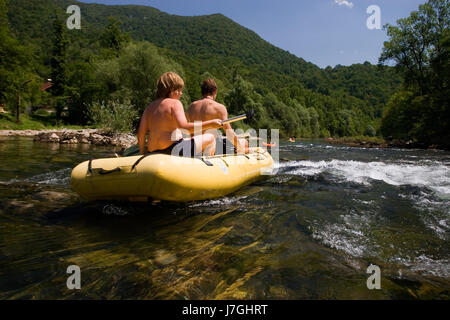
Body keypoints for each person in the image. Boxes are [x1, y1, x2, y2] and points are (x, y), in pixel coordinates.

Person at [137, 72, 223, 157]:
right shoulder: (175, 103)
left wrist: (142, 153)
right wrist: (211, 123)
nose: (181, 93)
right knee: (211, 138)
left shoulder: (149, 107)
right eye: (179, 90)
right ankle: (206, 166)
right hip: (172, 149)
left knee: (181, 136)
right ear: (172, 90)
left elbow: (141, 134)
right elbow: (185, 127)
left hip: (152, 151)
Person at [186, 78, 249, 154]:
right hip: (212, 146)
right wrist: (239, 146)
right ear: (215, 91)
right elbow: (229, 132)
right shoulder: (219, 108)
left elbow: (186, 129)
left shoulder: (191, 107)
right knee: (244, 142)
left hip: (195, 145)